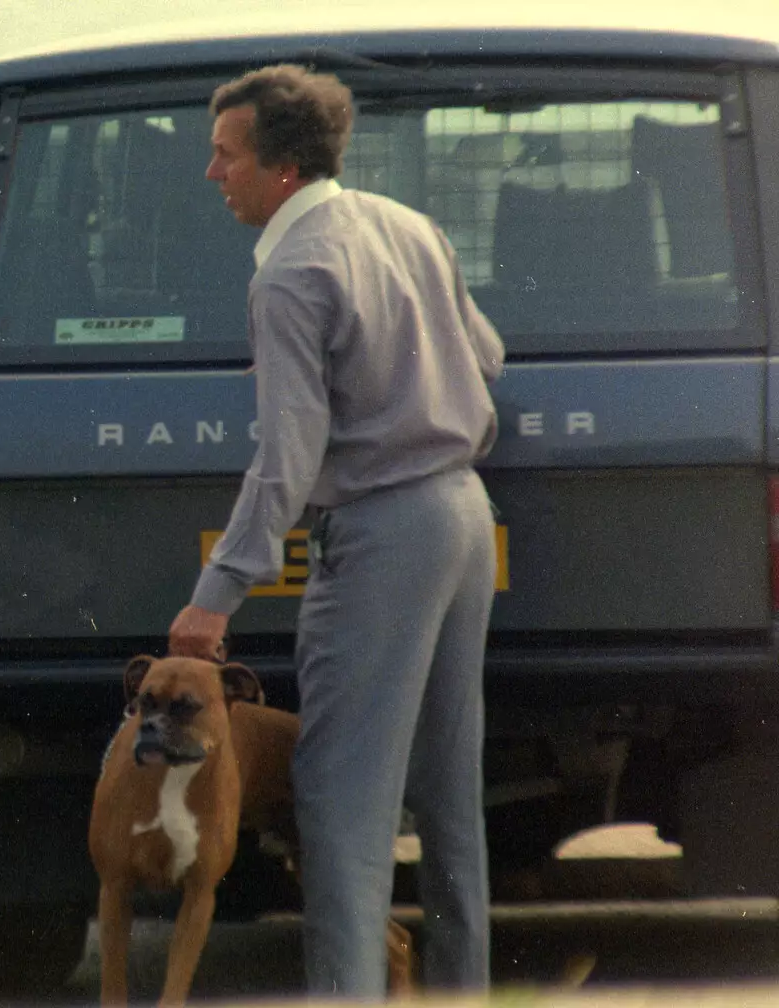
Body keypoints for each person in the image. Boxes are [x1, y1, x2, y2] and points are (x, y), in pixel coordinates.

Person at [167, 65, 505, 999]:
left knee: (343, 805)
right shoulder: (409, 226)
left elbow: (286, 458)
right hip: (463, 512)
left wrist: (215, 595)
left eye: (224, 155)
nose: (212, 173)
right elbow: (488, 354)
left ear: (279, 169)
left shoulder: (290, 274)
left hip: (384, 530)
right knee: (447, 795)